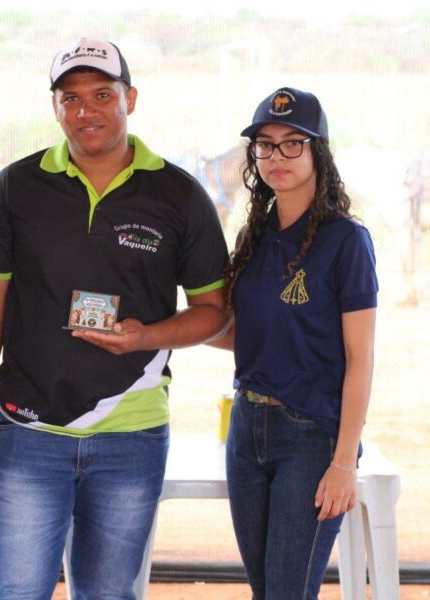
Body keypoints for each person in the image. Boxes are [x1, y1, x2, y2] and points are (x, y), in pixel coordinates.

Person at [0, 37, 230, 599]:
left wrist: (146, 337)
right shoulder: (16, 187)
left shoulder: (178, 195)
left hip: (132, 433)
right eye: (70, 98)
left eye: (102, 94)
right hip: (29, 431)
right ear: (55, 107)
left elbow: (213, 313)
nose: (86, 111)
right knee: (14, 592)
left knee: (108, 594)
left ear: (130, 99)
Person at [212, 87, 377, 599]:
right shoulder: (255, 236)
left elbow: (361, 358)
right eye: (265, 144)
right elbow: (250, 335)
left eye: (292, 143)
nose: (276, 156)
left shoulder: (346, 241)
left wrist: (343, 462)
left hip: (310, 435)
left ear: (317, 151)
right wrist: (153, 331)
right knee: (267, 591)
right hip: (246, 430)